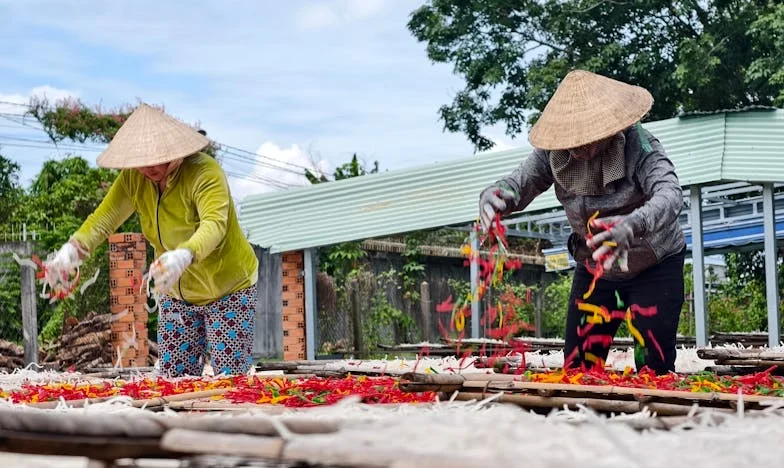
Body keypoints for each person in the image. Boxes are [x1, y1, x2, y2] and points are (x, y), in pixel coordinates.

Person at [479, 70, 686, 375]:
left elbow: (670, 194)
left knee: (653, 367)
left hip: (654, 264)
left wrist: (631, 225)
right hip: (595, 268)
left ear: (610, 130)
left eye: (585, 139)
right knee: (578, 369)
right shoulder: (552, 153)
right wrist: (495, 195)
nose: (577, 148)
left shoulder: (641, 146)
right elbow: (518, 183)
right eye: (570, 140)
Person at [44, 104, 259, 377]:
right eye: (141, 161)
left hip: (229, 289)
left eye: (157, 158)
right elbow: (104, 219)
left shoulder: (205, 173)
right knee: (174, 379)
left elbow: (215, 225)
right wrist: (72, 251)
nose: (148, 168)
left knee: (230, 379)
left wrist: (185, 254)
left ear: (175, 152)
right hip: (175, 292)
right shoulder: (134, 178)